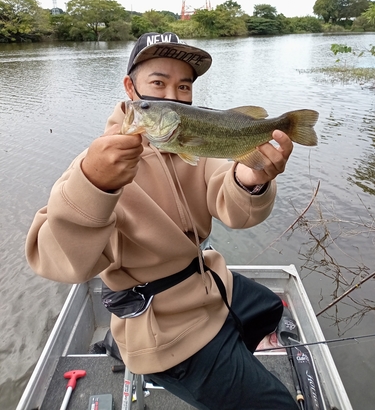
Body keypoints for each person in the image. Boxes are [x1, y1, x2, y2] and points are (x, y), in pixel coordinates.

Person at [26, 32, 298, 410]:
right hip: (162, 326)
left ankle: (227, 373)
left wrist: (250, 180)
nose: (171, 96)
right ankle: (155, 358)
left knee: (269, 309)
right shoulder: (97, 164)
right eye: (158, 83)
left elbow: (234, 209)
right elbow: (54, 258)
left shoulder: (192, 144)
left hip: (208, 283)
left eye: (183, 86)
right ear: (130, 87)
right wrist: (94, 184)